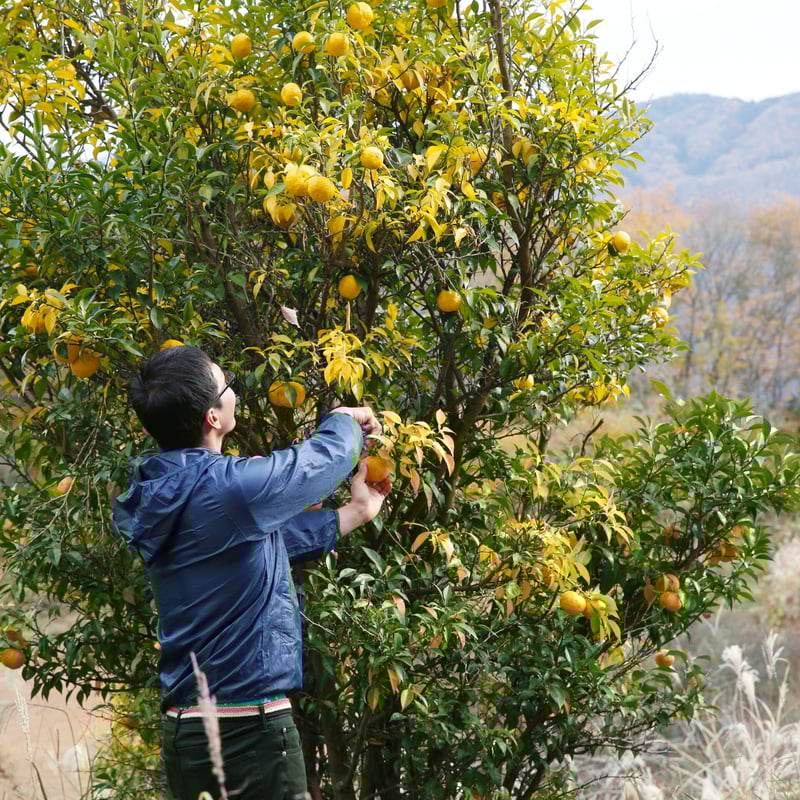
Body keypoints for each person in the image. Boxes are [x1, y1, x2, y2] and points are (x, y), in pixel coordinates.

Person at [112, 345, 390, 800]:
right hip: (248, 732)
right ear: (213, 417)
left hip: (188, 733)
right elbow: (314, 464)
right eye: (226, 386)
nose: (234, 393)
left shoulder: (164, 493)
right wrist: (343, 420)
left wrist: (355, 512)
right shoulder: (227, 488)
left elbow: (256, 545)